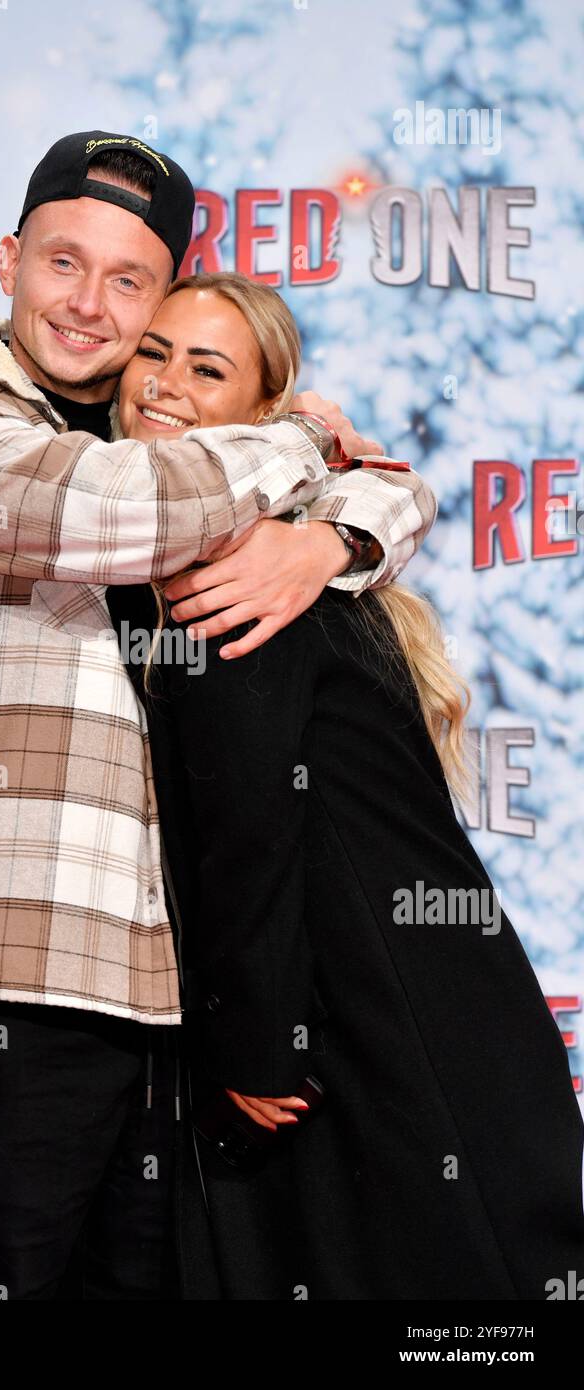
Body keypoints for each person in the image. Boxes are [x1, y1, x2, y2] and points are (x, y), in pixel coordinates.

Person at [0, 130, 437, 1300]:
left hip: (158, 1003)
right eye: (64, 264)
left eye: (130, 280)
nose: (89, 304)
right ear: (10, 260)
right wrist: (301, 441)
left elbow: (398, 487)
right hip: (0, 984)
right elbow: (119, 507)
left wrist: (329, 535)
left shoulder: (164, 453)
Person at [105, 268, 584, 1301]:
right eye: (153, 352)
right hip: (398, 1028)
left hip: (385, 1037)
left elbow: (250, 824)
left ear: (263, 414)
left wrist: (257, 1038)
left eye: (207, 367)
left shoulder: (236, 570)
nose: (166, 383)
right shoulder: (243, 555)